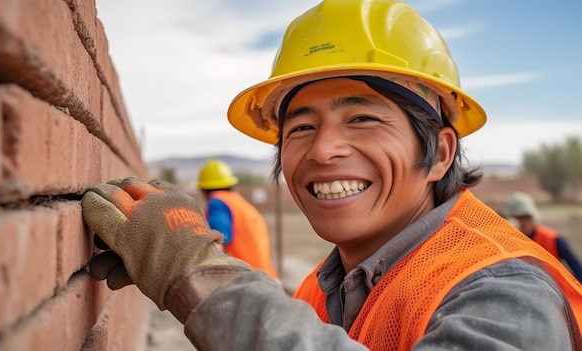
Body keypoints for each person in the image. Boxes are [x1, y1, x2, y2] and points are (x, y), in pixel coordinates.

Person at [81, 0, 582, 349]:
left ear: (440, 154)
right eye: (300, 126)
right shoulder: (323, 290)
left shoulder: (503, 289)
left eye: (362, 118)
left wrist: (195, 274)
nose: (322, 150)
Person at [196, 158, 278, 280]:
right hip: (267, 277)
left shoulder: (217, 203)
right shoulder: (238, 202)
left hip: (247, 281)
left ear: (204, 190)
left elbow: (218, 241)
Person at [507, 191, 582, 281]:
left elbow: (576, 267)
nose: (523, 222)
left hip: (553, 289)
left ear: (533, 217)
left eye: (526, 217)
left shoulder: (553, 239)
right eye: (518, 218)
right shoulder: (507, 241)